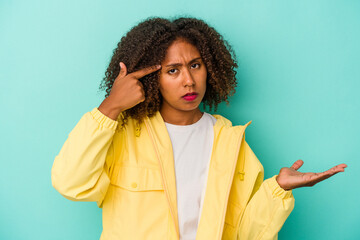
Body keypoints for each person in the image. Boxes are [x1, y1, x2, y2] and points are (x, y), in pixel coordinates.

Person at [51, 17, 347, 240]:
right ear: (152, 78)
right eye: (172, 70)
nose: (188, 81)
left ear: (211, 68)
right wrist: (111, 107)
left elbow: (246, 233)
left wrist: (278, 190)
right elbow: (71, 183)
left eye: (195, 65)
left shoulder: (230, 141)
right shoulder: (124, 133)